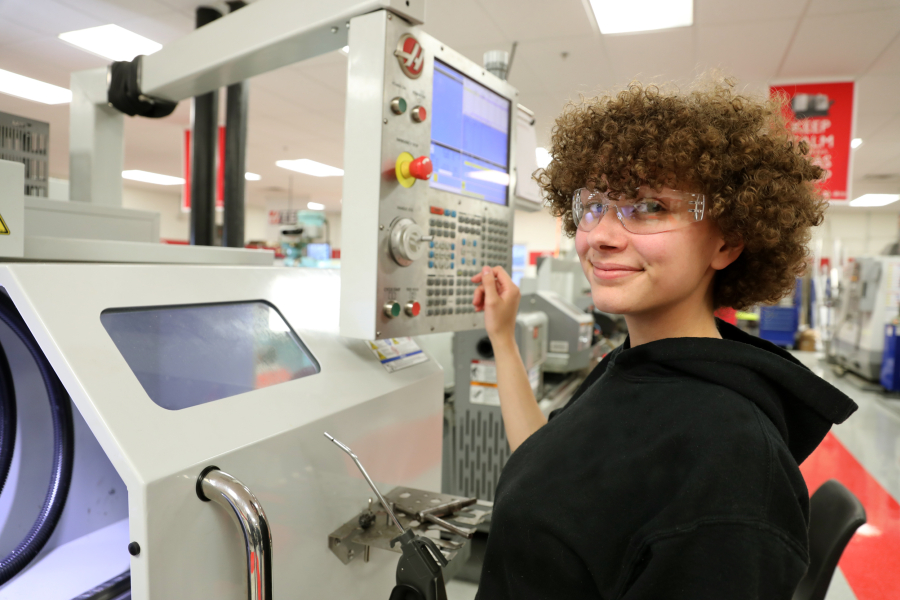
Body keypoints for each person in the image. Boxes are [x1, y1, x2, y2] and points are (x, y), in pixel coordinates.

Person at [470, 80, 858, 599]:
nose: (601, 235)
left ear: (727, 241)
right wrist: (502, 336)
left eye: (648, 206)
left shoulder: (729, 468)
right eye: (593, 205)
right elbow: (550, 464)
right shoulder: (638, 366)